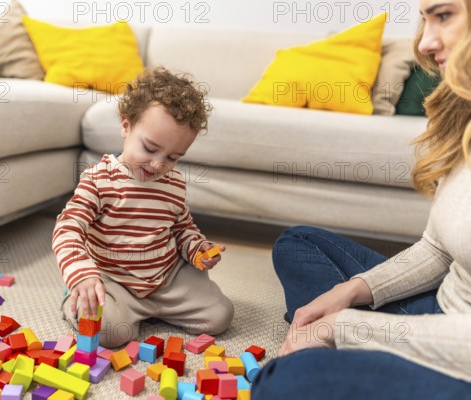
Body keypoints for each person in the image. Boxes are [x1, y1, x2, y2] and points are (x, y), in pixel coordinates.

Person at [252, 0, 471, 398]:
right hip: (443, 310)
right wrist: (349, 292)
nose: (424, 42)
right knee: (298, 245)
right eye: (424, 19)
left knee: (282, 382)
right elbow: (439, 249)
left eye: (443, 15)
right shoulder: (465, 115)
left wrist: (345, 327)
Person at [53, 67, 234, 348]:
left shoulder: (173, 183)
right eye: (150, 149)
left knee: (219, 317)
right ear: (126, 127)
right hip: (115, 282)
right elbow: (67, 228)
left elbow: (183, 228)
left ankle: (154, 309)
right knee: (111, 334)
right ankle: (76, 298)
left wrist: (198, 250)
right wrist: (81, 271)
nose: (158, 164)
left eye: (173, 157)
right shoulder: (98, 179)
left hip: (166, 280)